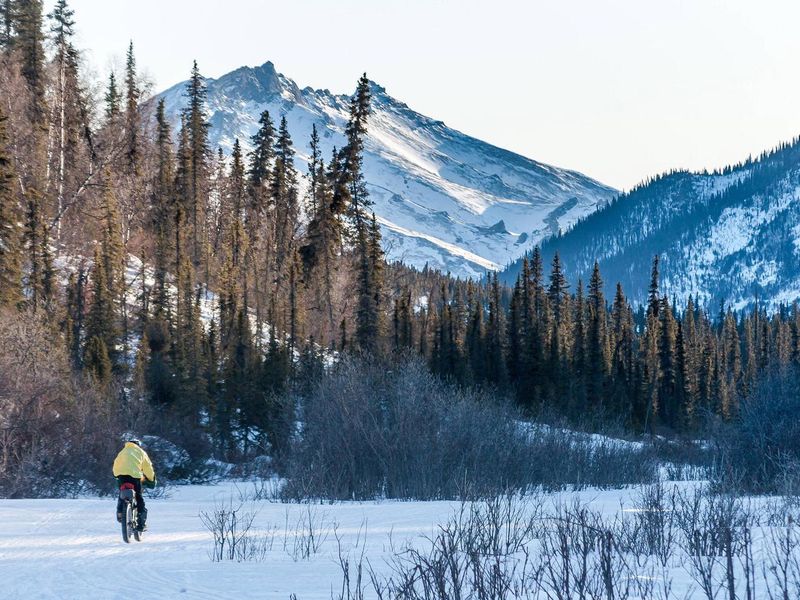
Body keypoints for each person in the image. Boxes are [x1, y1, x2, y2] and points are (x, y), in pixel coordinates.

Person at [113, 437, 156, 531]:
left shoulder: (122, 452)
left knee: (121, 494)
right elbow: (148, 468)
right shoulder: (141, 452)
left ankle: (120, 513)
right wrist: (151, 479)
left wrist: (117, 476)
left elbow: (115, 464)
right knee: (139, 497)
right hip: (134, 476)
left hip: (121, 476)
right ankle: (141, 524)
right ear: (138, 445)